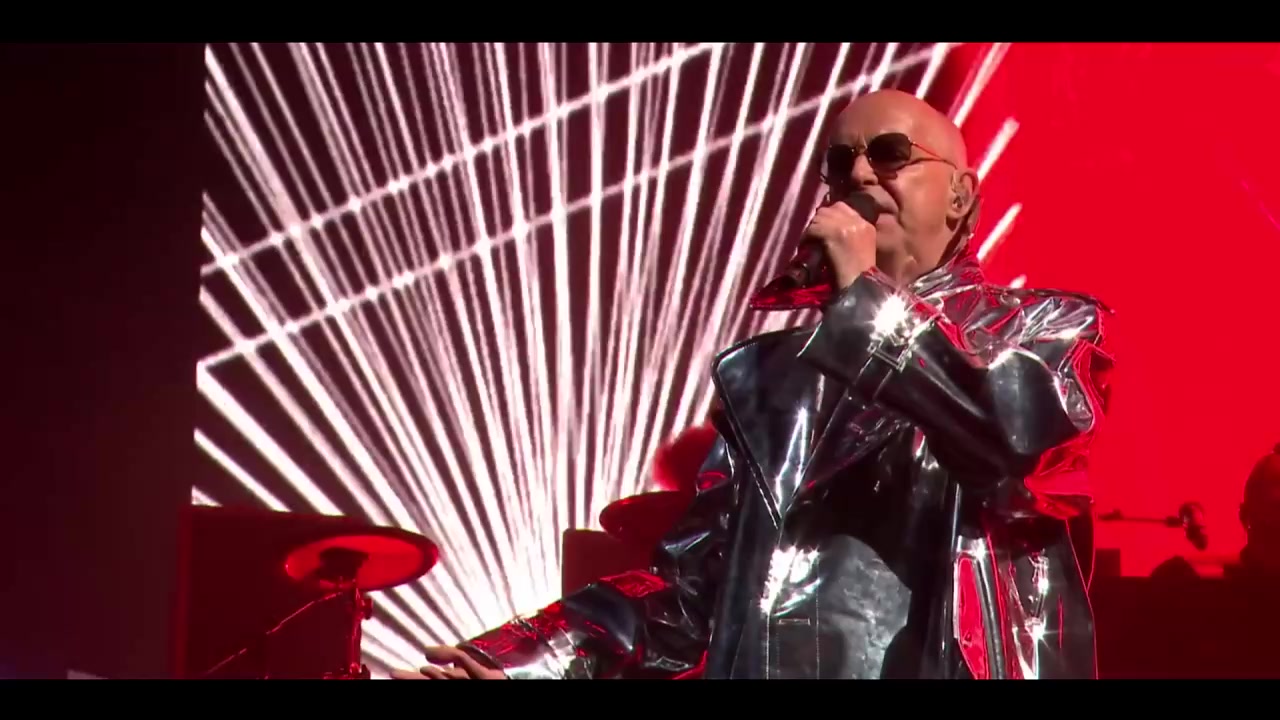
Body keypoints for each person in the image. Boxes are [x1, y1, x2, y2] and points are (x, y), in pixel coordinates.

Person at [393, 88, 1116, 680]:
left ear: (960, 196)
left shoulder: (1044, 328)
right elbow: (688, 591)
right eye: (840, 162)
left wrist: (865, 301)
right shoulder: (771, 379)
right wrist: (527, 658)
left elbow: (1014, 441)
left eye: (891, 154)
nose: (862, 175)